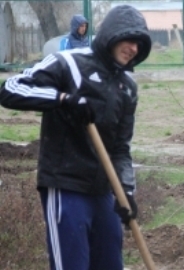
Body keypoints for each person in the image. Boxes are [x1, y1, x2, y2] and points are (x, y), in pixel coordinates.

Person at [0, 5, 152, 270]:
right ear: (113, 35)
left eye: (139, 44)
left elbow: (120, 148)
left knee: (110, 264)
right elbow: (10, 90)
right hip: (65, 185)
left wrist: (126, 193)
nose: (134, 49)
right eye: (130, 39)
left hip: (104, 190)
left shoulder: (127, 87)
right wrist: (62, 99)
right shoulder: (68, 62)